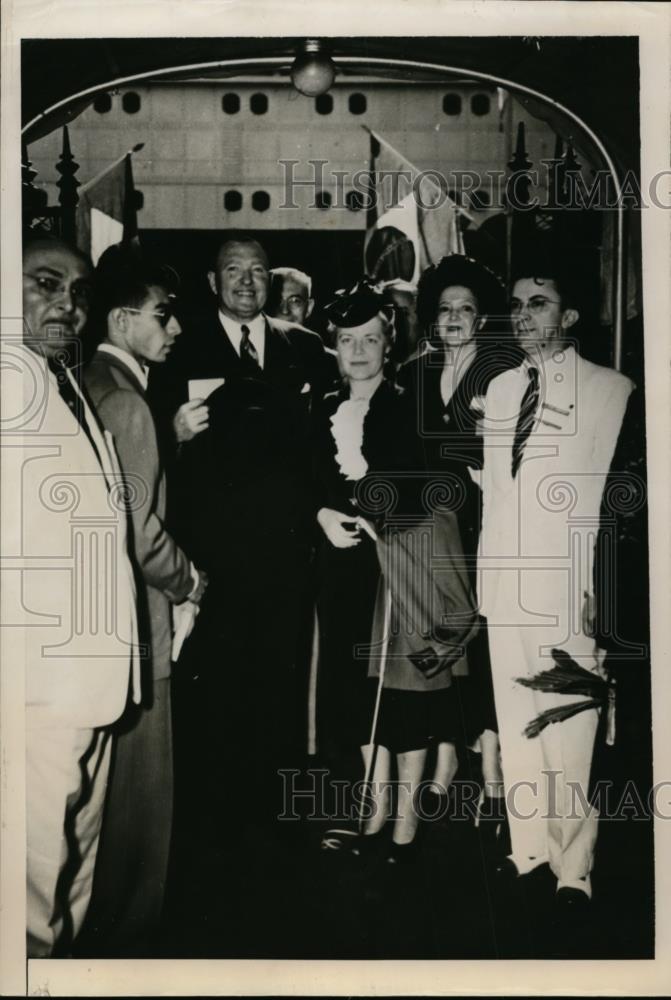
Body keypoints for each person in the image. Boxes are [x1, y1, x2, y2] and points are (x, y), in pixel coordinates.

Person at [476, 264, 633, 909]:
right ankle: (530, 848)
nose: (523, 314)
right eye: (516, 305)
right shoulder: (504, 388)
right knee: (517, 723)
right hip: (505, 583)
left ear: (569, 317)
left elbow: (605, 500)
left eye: (539, 303)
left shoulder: (610, 389)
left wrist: (598, 585)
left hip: (568, 584)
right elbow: (495, 496)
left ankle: (576, 865)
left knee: (570, 725)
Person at [168, 235, 332, 837]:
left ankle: (275, 816)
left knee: (278, 683)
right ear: (212, 282)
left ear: (272, 282)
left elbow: (323, 451)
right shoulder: (179, 348)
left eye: (258, 271)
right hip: (211, 559)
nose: (246, 281)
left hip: (287, 555)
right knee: (215, 687)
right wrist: (172, 432)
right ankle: (216, 817)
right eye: (233, 271)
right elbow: (150, 452)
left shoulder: (307, 349)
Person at [312, 279, 477, 859]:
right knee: (352, 689)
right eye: (347, 339)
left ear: (389, 343)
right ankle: (373, 800)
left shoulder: (413, 401)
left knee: (405, 691)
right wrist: (322, 508)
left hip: (398, 563)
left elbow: (447, 482)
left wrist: (377, 503)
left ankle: (405, 814)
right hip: (342, 569)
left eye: (371, 339)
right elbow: (303, 479)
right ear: (332, 346)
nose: (359, 351)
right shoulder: (318, 405)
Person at [14, 235, 139, 956]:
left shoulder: (64, 384)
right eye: (45, 283)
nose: (67, 303)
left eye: (79, 291)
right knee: (28, 885)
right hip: (33, 686)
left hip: (90, 681)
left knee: (70, 875)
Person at [80, 248, 207, 955]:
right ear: (123, 318)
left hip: (94, 628)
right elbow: (135, 527)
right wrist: (189, 581)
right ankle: (128, 951)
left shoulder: (89, 381)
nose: (176, 328)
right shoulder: (127, 400)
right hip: (137, 630)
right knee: (140, 811)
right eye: (163, 315)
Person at [399, 255, 523, 837]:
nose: (453, 318)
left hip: (489, 527)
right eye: (444, 309)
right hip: (441, 530)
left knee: (491, 642)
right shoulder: (417, 373)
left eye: (465, 309)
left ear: (482, 317)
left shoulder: (505, 372)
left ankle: (495, 782)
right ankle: (453, 767)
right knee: (451, 644)